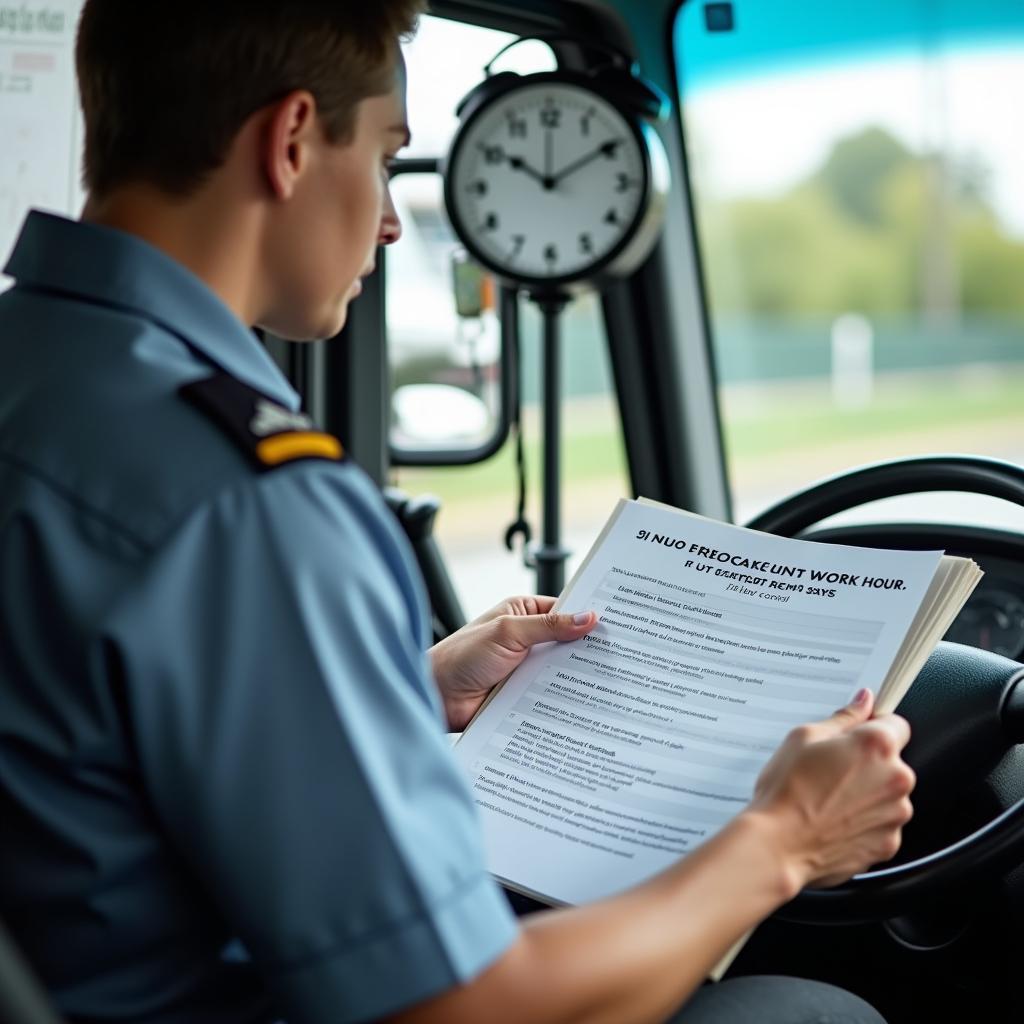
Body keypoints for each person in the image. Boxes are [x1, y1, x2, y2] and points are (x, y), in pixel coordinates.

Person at [0, 2, 915, 1022]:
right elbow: (453, 1008)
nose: (391, 218)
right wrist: (784, 836)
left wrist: (400, 684)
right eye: (388, 158)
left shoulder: (39, 378)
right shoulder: (249, 507)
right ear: (292, 139)